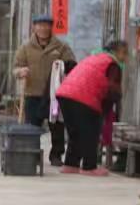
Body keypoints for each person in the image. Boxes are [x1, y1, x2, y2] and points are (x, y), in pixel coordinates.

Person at [54, 41, 126, 175]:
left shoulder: (95, 57)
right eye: (124, 53)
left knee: (75, 132)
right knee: (91, 131)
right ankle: (89, 166)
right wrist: (106, 111)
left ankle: (71, 164)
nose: (126, 58)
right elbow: (111, 89)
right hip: (84, 96)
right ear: (117, 51)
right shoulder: (112, 64)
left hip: (65, 94)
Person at [12, 15, 76, 164]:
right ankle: (32, 153)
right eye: (40, 25)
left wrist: (63, 66)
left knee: (57, 126)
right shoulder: (26, 47)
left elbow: (72, 64)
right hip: (32, 93)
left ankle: (56, 155)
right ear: (34, 27)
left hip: (55, 95)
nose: (43, 28)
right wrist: (20, 71)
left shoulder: (61, 47)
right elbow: (15, 67)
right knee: (32, 127)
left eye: (46, 25)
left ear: (51, 28)